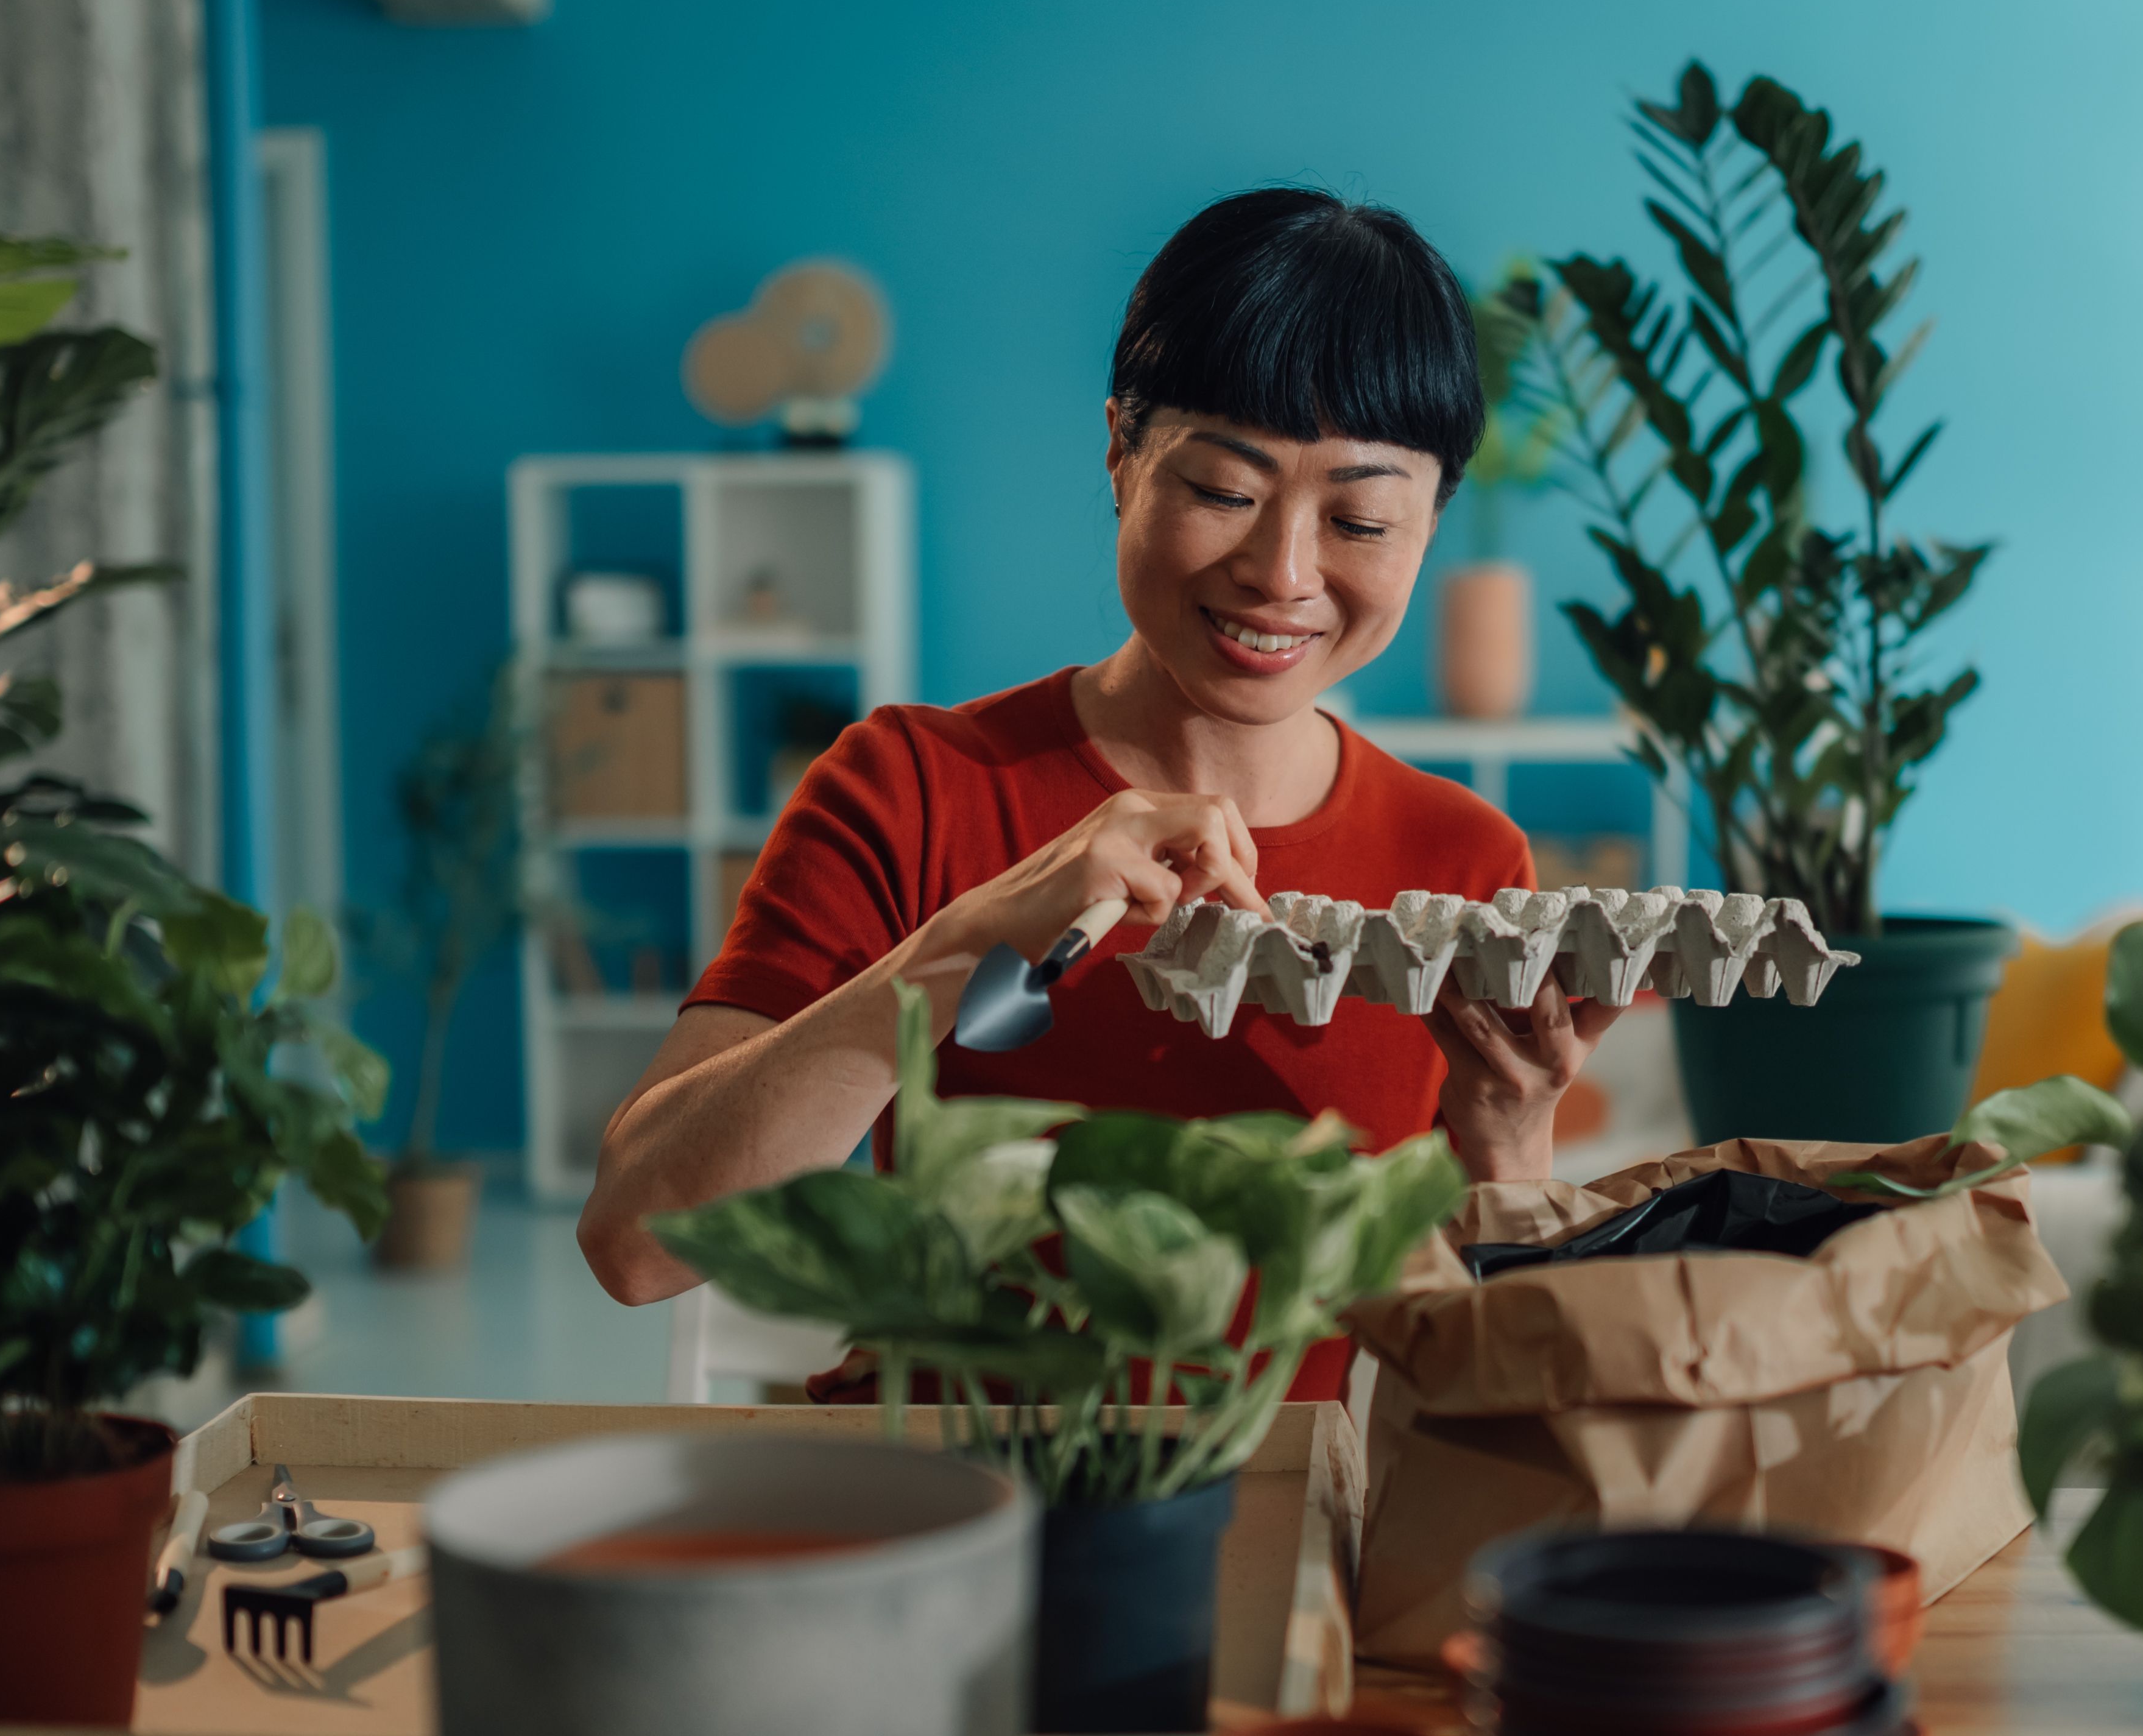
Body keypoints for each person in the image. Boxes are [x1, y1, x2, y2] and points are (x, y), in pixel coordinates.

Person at [578, 188, 1620, 1393]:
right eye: (1226, 490)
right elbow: (636, 1242)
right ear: (1121, 452)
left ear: (1429, 523)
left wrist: (1512, 1134)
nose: (1282, 573)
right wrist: (966, 945)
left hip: (1291, 1534)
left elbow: (1492, 1388)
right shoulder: (911, 789)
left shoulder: (1461, 853)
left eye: (1360, 517)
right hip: (958, 1522)